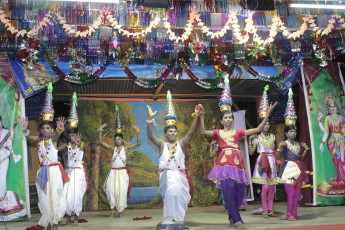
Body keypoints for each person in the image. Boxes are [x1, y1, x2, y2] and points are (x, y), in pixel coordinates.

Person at [199, 76, 277, 230]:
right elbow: (202, 131)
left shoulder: (238, 132)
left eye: (230, 117)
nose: (228, 119)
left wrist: (266, 116)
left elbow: (257, 130)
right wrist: (201, 116)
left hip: (238, 165)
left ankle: (231, 215)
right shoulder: (218, 132)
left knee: (239, 192)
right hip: (225, 165)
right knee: (228, 191)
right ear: (222, 121)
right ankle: (238, 221)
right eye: (226, 117)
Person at [146, 91, 200, 224]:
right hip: (167, 175)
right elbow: (150, 135)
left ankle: (178, 220)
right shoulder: (161, 144)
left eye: (175, 131)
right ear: (165, 134)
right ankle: (169, 220)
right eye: (170, 131)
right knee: (171, 194)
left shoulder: (181, 144)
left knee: (180, 198)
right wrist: (150, 120)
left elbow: (192, 131)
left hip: (180, 176)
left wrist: (196, 116)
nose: (173, 133)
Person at [21, 84, 68, 230]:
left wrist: (60, 130)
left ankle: (55, 222)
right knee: (43, 198)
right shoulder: (39, 140)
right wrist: (25, 130)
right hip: (42, 172)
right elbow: (30, 138)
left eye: (48, 128)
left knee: (55, 197)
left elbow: (58, 135)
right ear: (41, 130)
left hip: (54, 172)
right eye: (43, 128)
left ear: (52, 130)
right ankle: (48, 220)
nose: (46, 130)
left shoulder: (53, 140)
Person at [100, 106, 141, 218]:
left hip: (122, 173)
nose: (117, 141)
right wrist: (100, 130)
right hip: (113, 173)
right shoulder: (112, 148)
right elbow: (100, 141)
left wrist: (138, 131)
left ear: (122, 140)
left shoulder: (125, 148)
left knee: (121, 192)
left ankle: (120, 211)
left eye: (119, 139)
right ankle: (112, 209)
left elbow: (138, 143)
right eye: (116, 139)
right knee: (111, 190)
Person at [248, 85, 279, 218]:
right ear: (261, 125)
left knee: (272, 187)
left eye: (267, 124)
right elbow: (250, 153)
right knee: (265, 187)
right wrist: (250, 141)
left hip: (271, 162)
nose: (266, 125)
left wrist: (278, 161)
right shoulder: (257, 137)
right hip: (262, 163)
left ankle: (270, 209)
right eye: (264, 124)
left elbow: (274, 150)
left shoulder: (273, 137)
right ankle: (265, 209)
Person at [277, 125, 309, 221]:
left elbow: (301, 159)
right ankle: (289, 214)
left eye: (294, 131)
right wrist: (279, 148)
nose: (293, 133)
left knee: (297, 193)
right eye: (291, 131)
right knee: (290, 192)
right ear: (286, 133)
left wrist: (306, 151)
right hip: (288, 170)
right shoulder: (284, 144)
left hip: (298, 169)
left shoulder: (299, 144)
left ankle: (294, 213)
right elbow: (277, 157)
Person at [318, 94, 345, 188]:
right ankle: (341, 179)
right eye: (330, 106)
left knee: (342, 160)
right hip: (332, 142)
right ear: (328, 107)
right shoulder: (327, 118)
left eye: (334, 106)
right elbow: (326, 132)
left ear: (337, 106)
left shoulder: (341, 117)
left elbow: (343, 130)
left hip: (342, 141)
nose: (333, 108)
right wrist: (322, 143)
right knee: (337, 162)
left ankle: (343, 179)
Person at [0, 116, 24, 220]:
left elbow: (9, 145)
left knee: (2, 181)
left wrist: (4, 144)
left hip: (3, 158)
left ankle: (1, 204)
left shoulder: (6, 132)